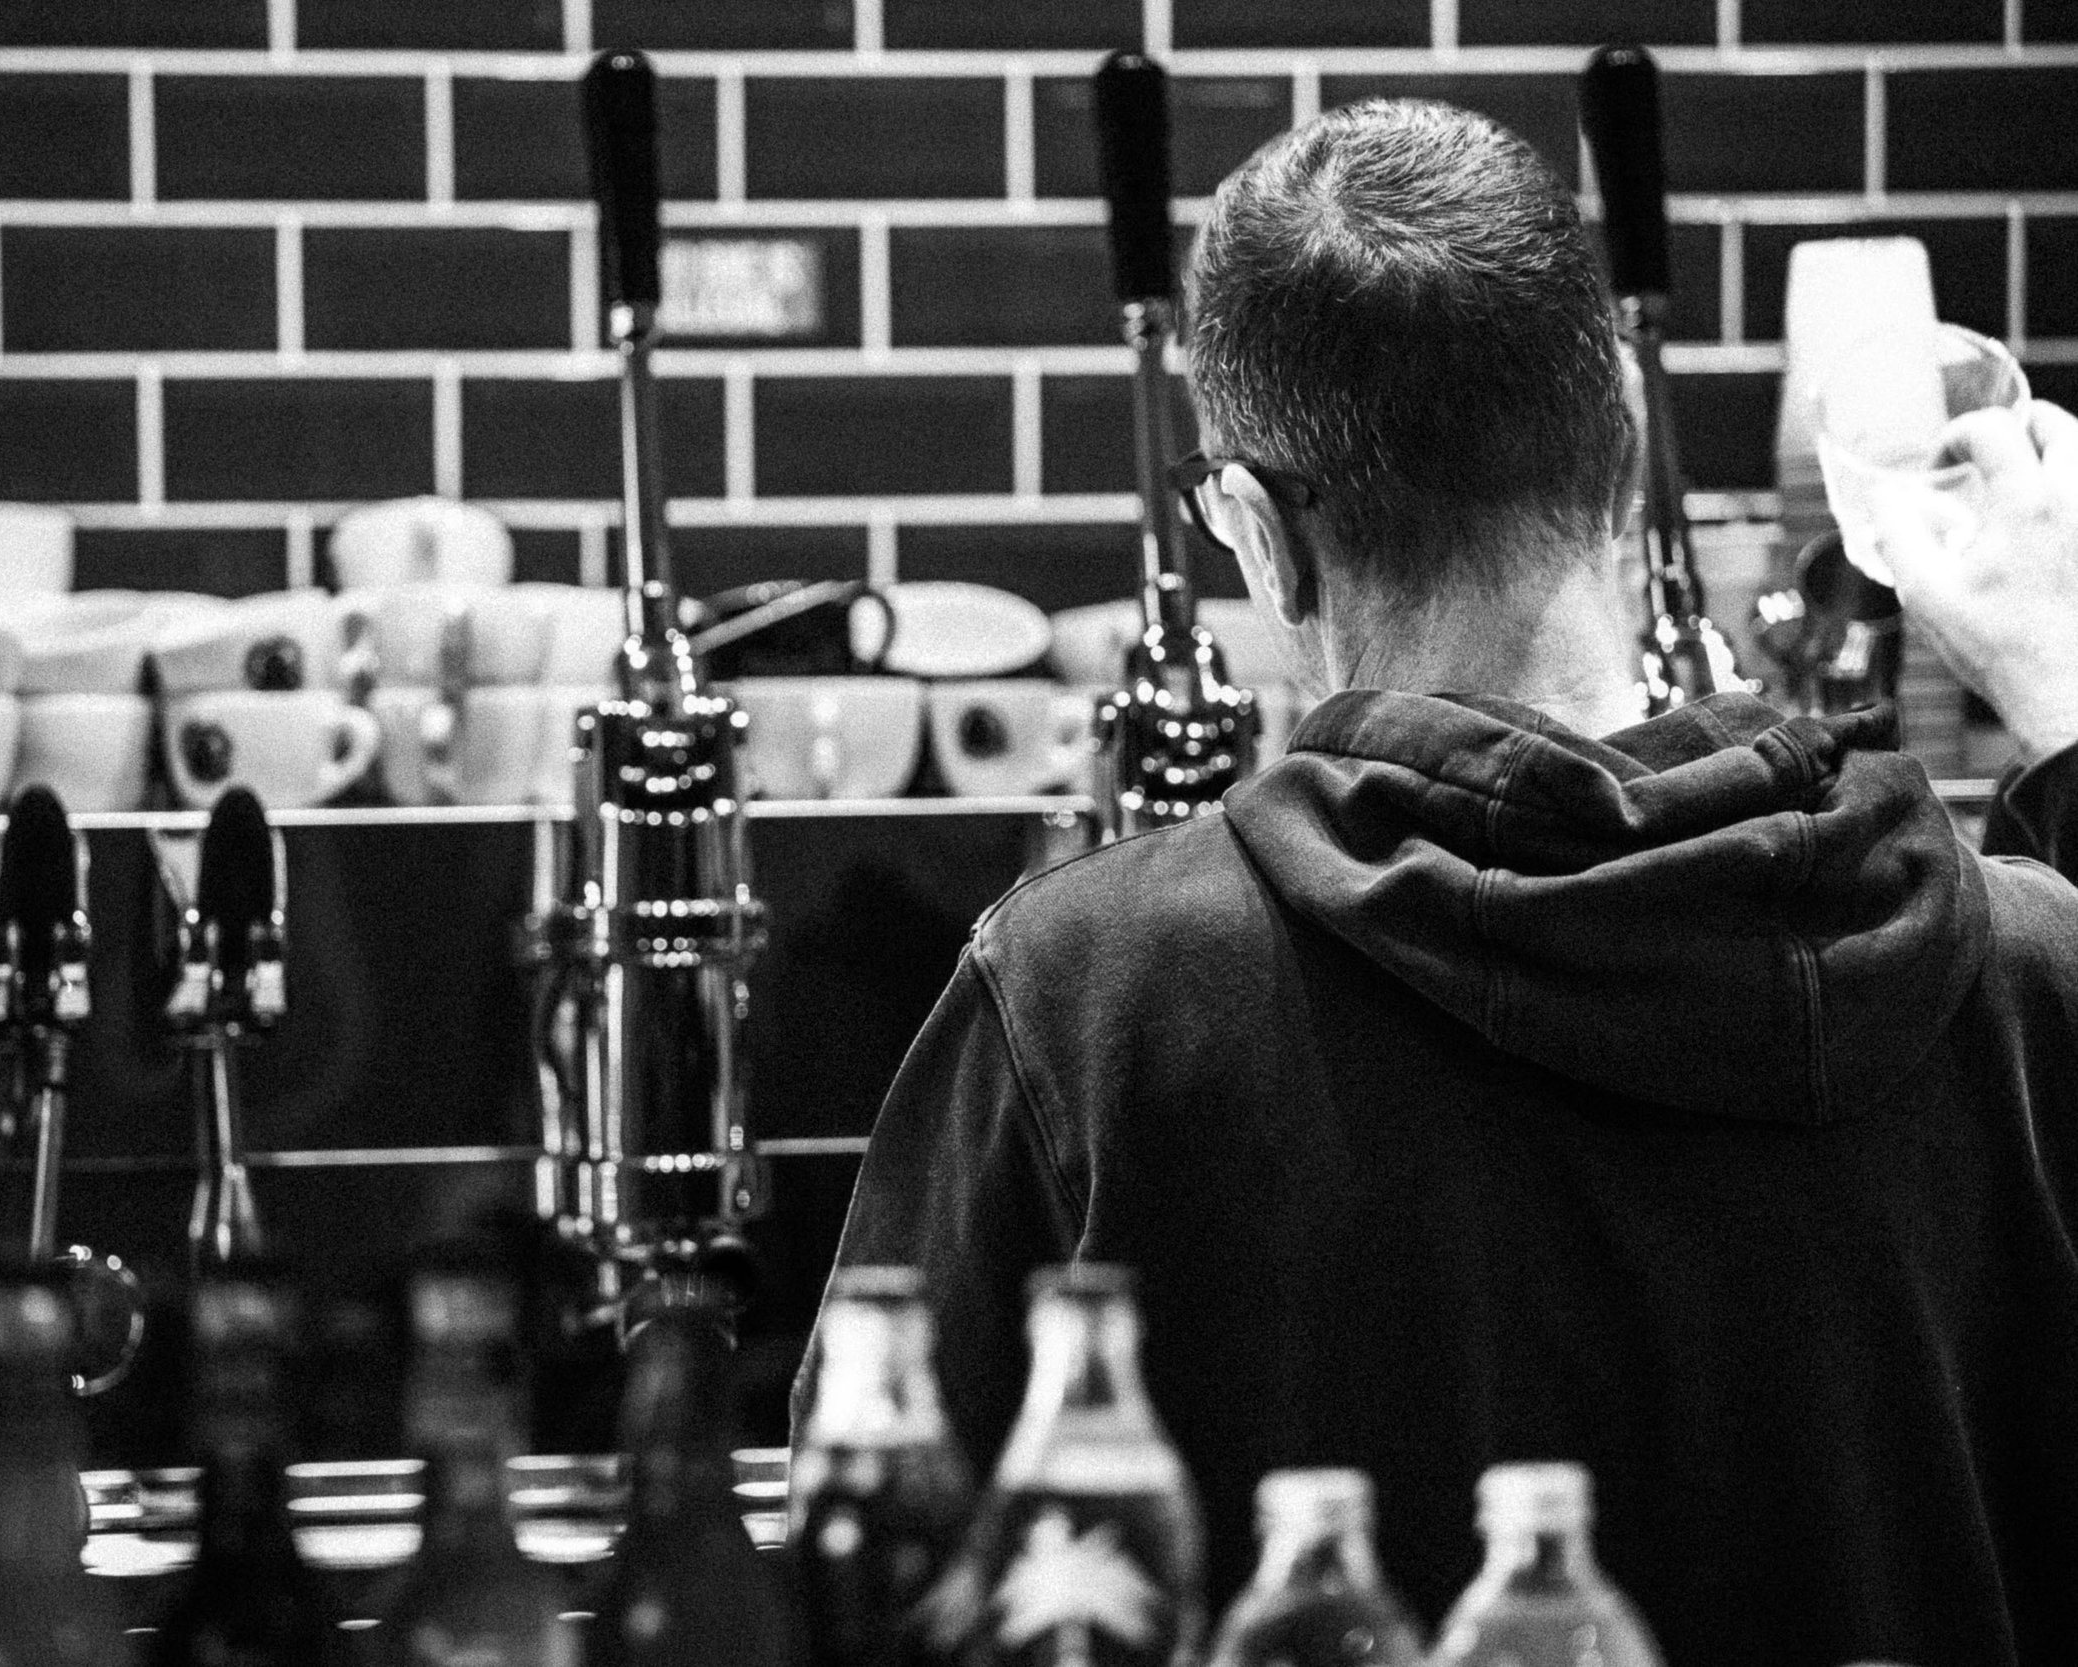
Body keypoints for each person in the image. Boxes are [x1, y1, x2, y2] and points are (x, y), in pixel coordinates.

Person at [801, 99, 2078, 1667]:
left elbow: (867, 1589)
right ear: (1617, 441)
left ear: (1259, 538)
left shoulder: (1083, 1003)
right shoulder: (2027, 979)